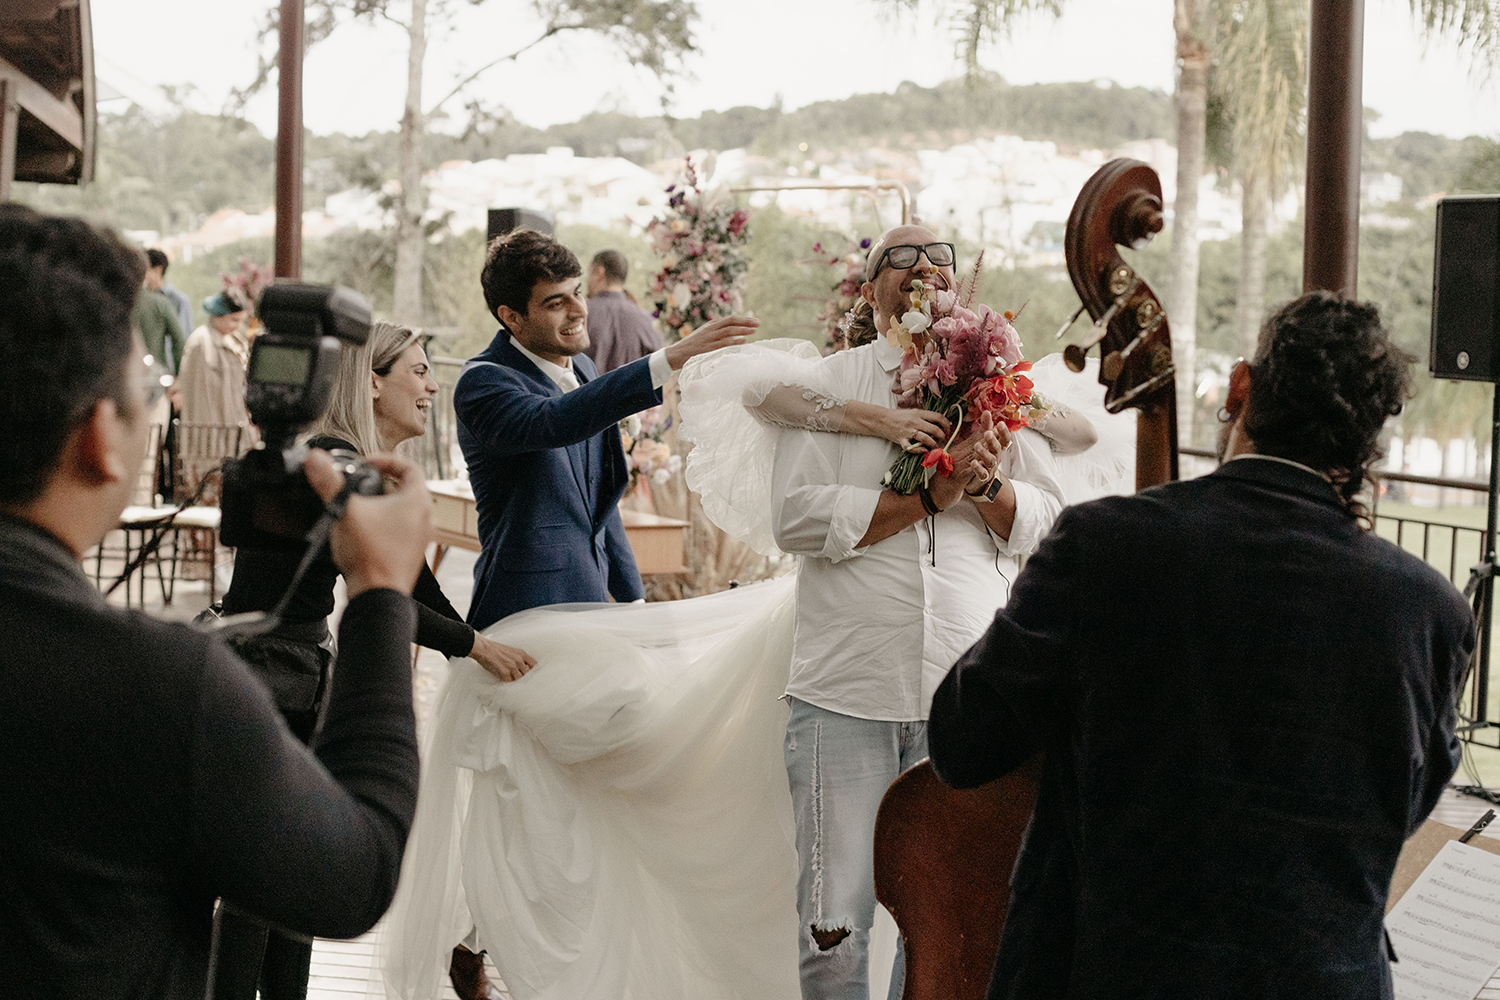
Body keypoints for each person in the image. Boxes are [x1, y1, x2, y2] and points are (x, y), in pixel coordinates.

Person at [927, 291, 1475, 999]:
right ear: (1372, 438)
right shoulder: (1430, 612)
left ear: (1241, 387)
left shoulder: (1103, 546)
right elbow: (1397, 806)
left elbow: (963, 741)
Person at [0, 204, 432, 999]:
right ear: (101, 437)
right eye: (143, 384)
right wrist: (379, 593)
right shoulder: (160, 688)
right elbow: (352, 874)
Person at [761, 225, 1066, 1000]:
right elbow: (795, 518)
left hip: (965, 696)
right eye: (898, 261)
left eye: (939, 261)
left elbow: (1048, 520)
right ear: (870, 294)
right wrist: (926, 496)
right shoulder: (832, 387)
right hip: (845, 696)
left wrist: (985, 485)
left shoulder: (1003, 387)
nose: (923, 270)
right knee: (833, 929)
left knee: (947, 928)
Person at [212, 322, 536, 1000]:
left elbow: (418, 587)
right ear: (372, 381)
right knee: (261, 887)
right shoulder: (333, 462)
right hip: (273, 675)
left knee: (285, 878)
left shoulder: (353, 465)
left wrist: (486, 638)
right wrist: (477, 648)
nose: (431, 386)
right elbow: (384, 591)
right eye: (418, 371)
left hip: (288, 670)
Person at [453, 228, 758, 633]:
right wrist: (668, 359)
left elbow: (602, 507)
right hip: (523, 616)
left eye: (578, 292)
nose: (579, 310)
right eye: (555, 303)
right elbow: (552, 420)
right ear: (511, 317)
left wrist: (632, 599)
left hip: (594, 606)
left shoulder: (585, 369)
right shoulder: (482, 382)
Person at [177, 289, 257, 448]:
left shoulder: (236, 341)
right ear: (218, 314)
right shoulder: (201, 343)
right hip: (209, 434)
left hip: (235, 428)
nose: (238, 326)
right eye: (233, 320)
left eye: (241, 321)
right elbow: (200, 400)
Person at [583, 248, 662, 373]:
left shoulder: (580, 315)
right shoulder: (647, 322)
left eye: (589, 273)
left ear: (599, 272)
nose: (586, 279)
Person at [133, 257, 186, 377]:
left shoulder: (110, 304)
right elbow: (179, 340)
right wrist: (178, 377)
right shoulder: (159, 302)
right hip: (156, 376)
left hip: (122, 381)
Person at [145, 247, 195, 356]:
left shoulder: (179, 300)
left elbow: (184, 338)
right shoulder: (140, 299)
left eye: (145, 269)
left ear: (157, 270)